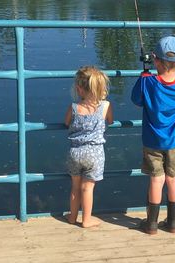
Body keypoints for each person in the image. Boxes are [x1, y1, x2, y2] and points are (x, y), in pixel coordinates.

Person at [131, 36, 175, 234]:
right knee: (174, 179)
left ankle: (151, 224)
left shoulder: (147, 83)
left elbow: (136, 100)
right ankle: (173, 223)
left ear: (155, 60)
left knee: (156, 180)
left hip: (152, 141)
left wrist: (145, 73)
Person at [64, 66, 113, 228]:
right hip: (95, 154)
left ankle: (72, 217)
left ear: (79, 89)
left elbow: (66, 123)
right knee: (88, 188)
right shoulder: (105, 106)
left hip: (75, 153)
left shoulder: (73, 108)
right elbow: (111, 121)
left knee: (75, 187)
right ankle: (86, 219)